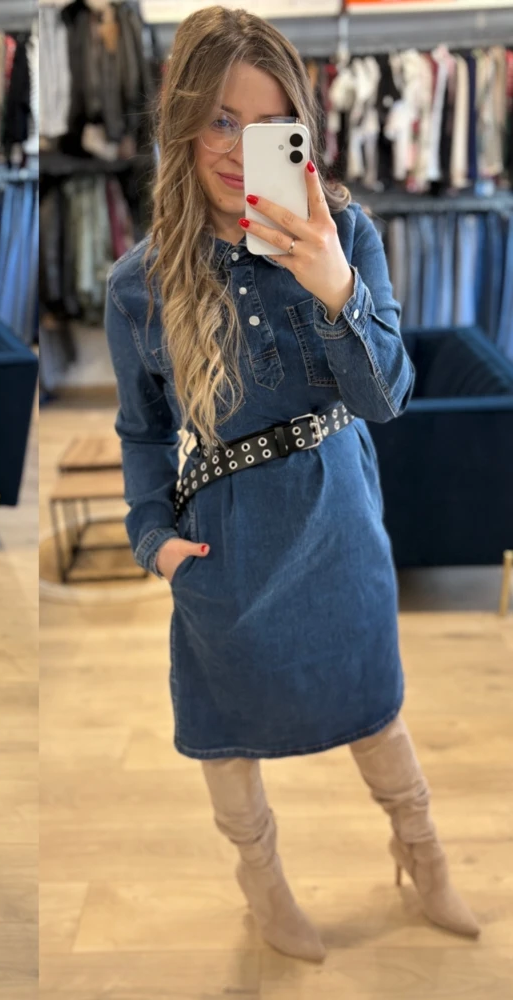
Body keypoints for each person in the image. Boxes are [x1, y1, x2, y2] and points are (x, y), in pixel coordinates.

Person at [105, 6, 478, 962]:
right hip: (224, 540)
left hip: (338, 515)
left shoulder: (345, 231)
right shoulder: (140, 284)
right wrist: (155, 540)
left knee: (375, 708)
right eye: (221, 122)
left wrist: (334, 284)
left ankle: (423, 856)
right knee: (224, 728)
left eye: (270, 127)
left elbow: (386, 396)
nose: (241, 150)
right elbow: (142, 431)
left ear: (301, 133)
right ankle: (262, 886)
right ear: (184, 124)